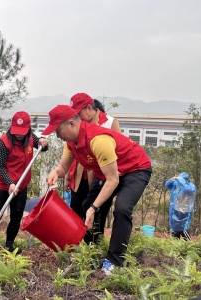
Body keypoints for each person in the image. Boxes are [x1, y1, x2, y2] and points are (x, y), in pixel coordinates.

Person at [44, 105, 152, 275]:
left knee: (122, 209)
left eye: (58, 130)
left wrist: (95, 207)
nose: (57, 135)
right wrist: (55, 173)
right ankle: (91, 250)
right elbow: (63, 167)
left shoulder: (98, 140)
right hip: (111, 171)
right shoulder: (71, 142)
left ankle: (114, 261)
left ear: (72, 124)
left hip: (135, 169)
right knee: (87, 205)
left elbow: (113, 179)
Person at [0, 111, 48, 254]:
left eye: (22, 132)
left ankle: (9, 245)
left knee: (16, 217)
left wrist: (44, 141)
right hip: (3, 185)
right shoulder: (4, 143)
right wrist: (10, 183)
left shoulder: (31, 138)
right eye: (16, 132)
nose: (19, 135)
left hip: (21, 185)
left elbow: (43, 148)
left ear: (28, 130)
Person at [64, 93, 121, 243]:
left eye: (78, 113)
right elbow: (70, 151)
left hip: (101, 178)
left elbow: (118, 151)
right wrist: (67, 176)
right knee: (77, 209)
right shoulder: (77, 125)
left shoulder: (109, 123)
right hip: (79, 175)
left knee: (96, 211)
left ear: (89, 108)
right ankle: (76, 243)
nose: (76, 118)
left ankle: (94, 245)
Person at [165, 172, 196, 240]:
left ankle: (189, 246)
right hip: (176, 209)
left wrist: (180, 180)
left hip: (185, 211)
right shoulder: (177, 184)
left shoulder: (191, 186)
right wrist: (172, 179)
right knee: (175, 230)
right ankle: (176, 247)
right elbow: (167, 185)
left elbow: (188, 190)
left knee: (183, 230)